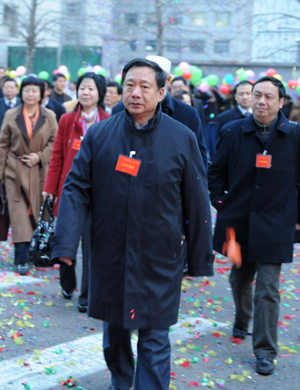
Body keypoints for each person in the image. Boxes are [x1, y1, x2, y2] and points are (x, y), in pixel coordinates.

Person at [50, 58, 214, 390]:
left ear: (161, 92)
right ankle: (121, 382)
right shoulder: (99, 134)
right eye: (129, 85)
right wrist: (66, 243)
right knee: (115, 335)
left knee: (155, 337)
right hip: (110, 252)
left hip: (159, 257)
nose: (135, 93)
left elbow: (197, 200)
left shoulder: (181, 138)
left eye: (144, 86)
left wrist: (199, 257)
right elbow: (76, 188)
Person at [208, 76, 300, 376]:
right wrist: (222, 202)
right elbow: (216, 172)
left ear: (281, 102)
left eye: (268, 97)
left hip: (277, 223)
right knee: (239, 278)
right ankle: (242, 318)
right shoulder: (233, 131)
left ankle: (265, 351)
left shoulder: (295, 136)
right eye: (257, 95)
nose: (261, 101)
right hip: (238, 223)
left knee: (269, 288)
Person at [43, 72, 110, 313]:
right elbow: (58, 156)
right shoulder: (67, 120)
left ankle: (87, 295)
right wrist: (50, 189)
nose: (85, 92)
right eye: (82, 87)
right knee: (66, 239)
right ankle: (67, 283)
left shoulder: (109, 120)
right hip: (70, 192)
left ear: (100, 93)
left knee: (92, 246)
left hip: (98, 194)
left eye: (91, 88)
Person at [0, 76, 57, 275]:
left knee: (36, 213)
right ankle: (21, 258)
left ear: (41, 94)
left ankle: (34, 252)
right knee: (18, 216)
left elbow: (54, 142)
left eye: (34, 90)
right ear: (20, 92)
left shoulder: (49, 115)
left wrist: (40, 157)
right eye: (26, 90)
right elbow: (3, 144)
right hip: (14, 170)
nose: (30, 94)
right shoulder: (11, 114)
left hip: (39, 171)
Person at [112, 55, 208, 169]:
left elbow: (198, 158)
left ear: (167, 80)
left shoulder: (187, 113)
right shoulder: (119, 110)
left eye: (145, 85)